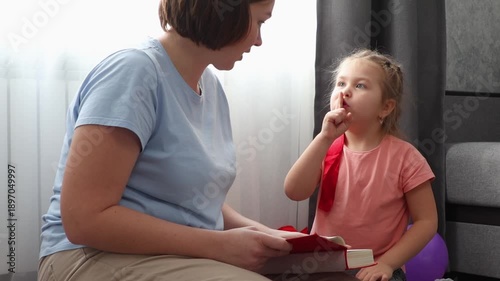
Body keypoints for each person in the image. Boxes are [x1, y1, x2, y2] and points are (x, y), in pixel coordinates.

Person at [38, 0, 361, 280]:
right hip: (89, 256)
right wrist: (217, 245)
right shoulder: (134, 72)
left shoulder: (211, 86)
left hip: (174, 255)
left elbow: (195, 202)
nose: (260, 41)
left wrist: (272, 237)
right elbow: (84, 221)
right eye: (260, 22)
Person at [284, 49, 438, 281]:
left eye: (360, 86)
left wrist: (387, 263)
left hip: (376, 268)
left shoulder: (406, 158)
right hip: (323, 266)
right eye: (340, 83)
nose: (345, 91)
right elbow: (294, 191)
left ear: (385, 108)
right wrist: (323, 139)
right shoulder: (325, 148)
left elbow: (426, 221)